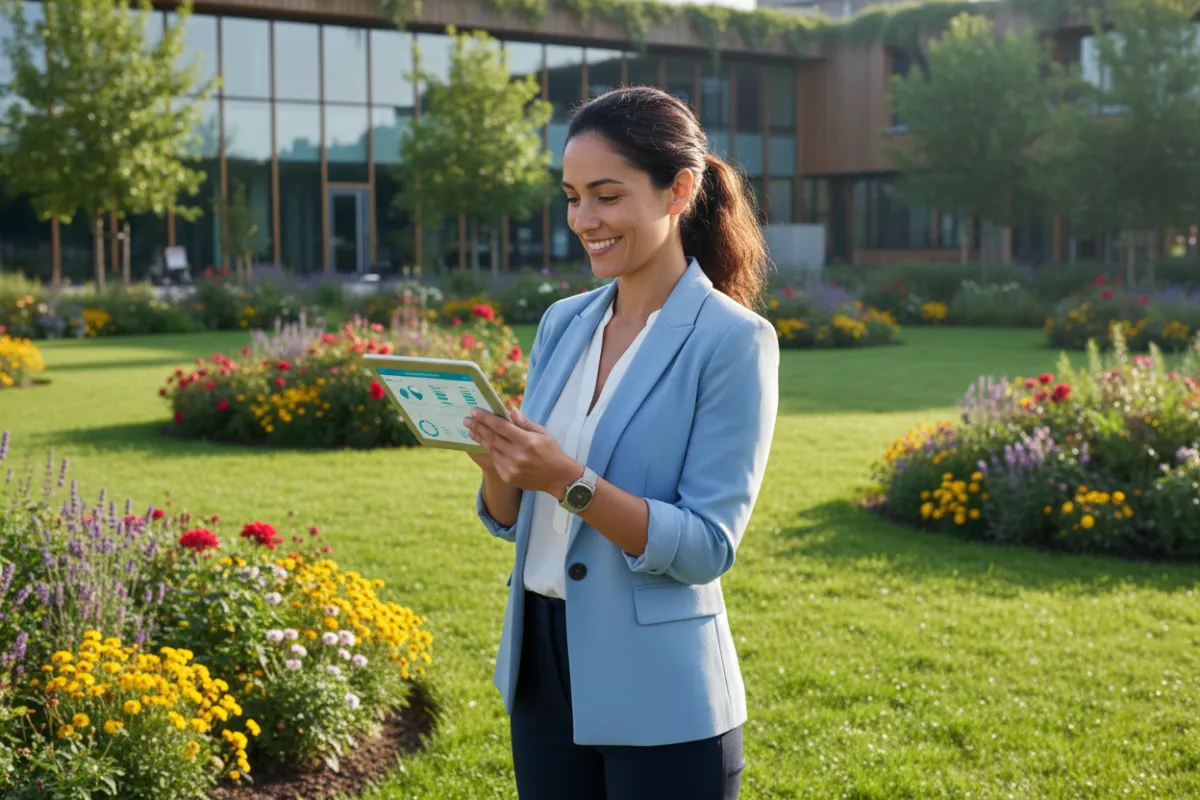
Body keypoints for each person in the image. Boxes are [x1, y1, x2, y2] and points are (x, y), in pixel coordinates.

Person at [463, 85, 780, 800]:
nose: (584, 220)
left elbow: (706, 545)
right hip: (542, 668)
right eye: (572, 197)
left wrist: (567, 479)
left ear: (680, 191)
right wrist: (499, 464)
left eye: (606, 196)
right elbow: (509, 519)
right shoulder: (562, 324)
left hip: (662, 688)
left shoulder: (733, 342)